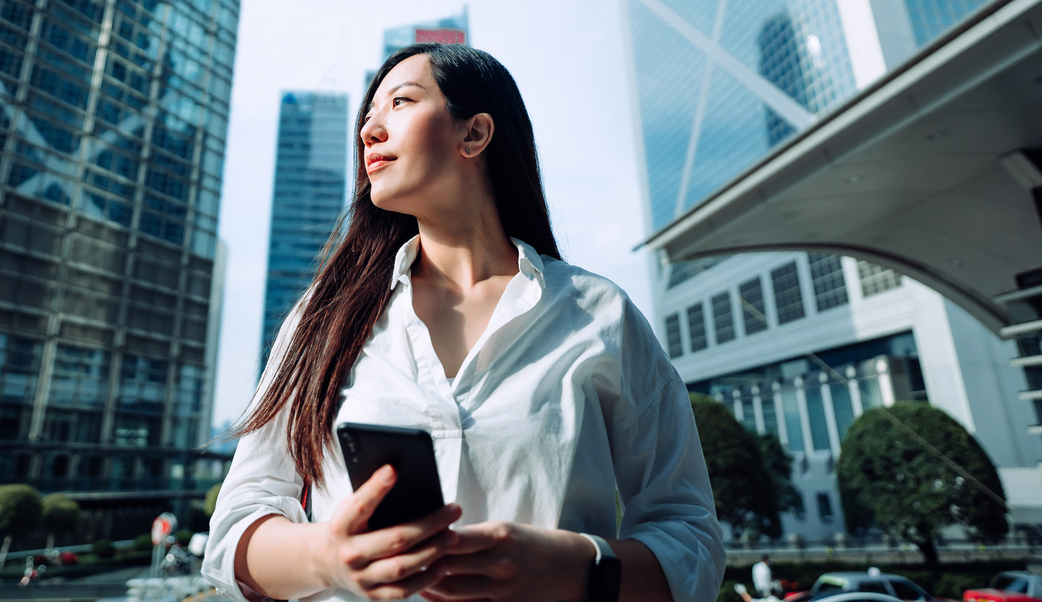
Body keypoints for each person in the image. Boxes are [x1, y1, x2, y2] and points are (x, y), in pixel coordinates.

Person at [203, 44, 724, 602]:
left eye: (400, 102)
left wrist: (576, 565)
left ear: (474, 134)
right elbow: (236, 527)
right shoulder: (324, 320)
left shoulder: (600, 315)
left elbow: (690, 537)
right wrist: (330, 557)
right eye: (367, 116)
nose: (369, 131)